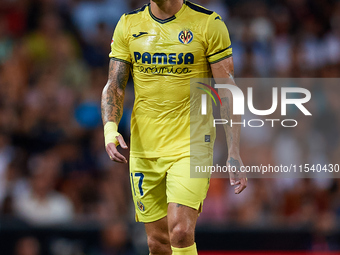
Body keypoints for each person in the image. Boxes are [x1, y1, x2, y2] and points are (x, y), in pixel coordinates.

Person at [101, 0, 247, 254]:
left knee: (179, 231)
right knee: (157, 242)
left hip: (191, 146)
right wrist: (110, 130)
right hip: (145, 149)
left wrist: (234, 150)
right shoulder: (128, 24)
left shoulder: (208, 24)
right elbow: (114, 84)